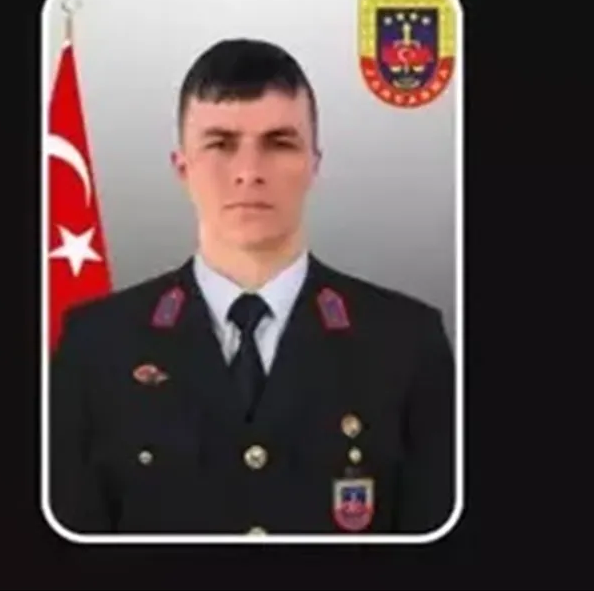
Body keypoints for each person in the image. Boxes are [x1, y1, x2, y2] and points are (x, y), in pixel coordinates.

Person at [49, 38, 456, 536]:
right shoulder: (96, 346)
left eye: (279, 143)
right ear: (182, 167)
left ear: (314, 163)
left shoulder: (405, 342)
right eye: (220, 144)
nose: (249, 172)